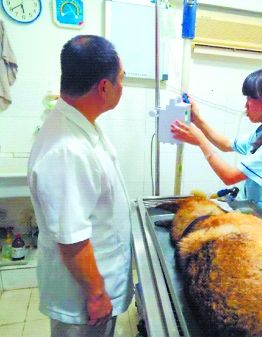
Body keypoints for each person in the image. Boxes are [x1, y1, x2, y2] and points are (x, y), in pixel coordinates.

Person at [27, 35, 133, 337]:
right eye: (121, 79)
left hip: (93, 290)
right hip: (83, 302)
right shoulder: (66, 149)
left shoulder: (79, 125)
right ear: (103, 87)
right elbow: (72, 240)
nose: (122, 87)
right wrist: (97, 294)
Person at [171, 67, 262, 215]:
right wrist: (197, 120)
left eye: (250, 98)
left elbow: (229, 176)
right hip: (253, 214)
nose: (245, 105)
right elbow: (225, 144)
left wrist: (200, 141)